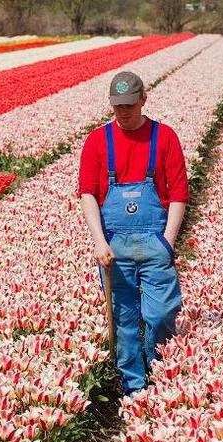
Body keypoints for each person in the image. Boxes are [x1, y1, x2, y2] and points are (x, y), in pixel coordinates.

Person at [78, 72, 188, 396]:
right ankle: (135, 389)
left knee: (162, 313)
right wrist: (99, 241)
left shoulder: (164, 137)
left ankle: (158, 365)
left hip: (155, 241)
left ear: (143, 99)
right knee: (124, 319)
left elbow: (179, 193)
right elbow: (87, 194)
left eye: (128, 105)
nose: (123, 113)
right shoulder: (98, 141)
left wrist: (168, 242)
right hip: (115, 245)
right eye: (117, 106)